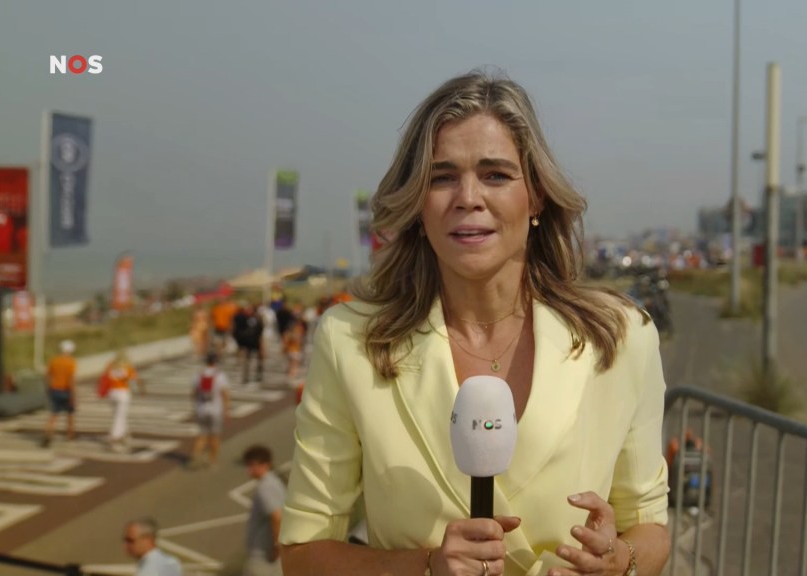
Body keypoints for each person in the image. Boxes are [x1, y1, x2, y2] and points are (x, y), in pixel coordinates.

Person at [279, 70, 670, 576]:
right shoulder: (350, 342)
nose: (468, 197)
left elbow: (651, 528)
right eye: (442, 177)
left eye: (495, 175)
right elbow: (303, 553)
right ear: (417, 205)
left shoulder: (621, 338)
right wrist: (426, 567)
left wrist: (620, 560)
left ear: (536, 196)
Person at [243, 445, 286, 576]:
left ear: (265, 464)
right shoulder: (274, 481)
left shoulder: (266, 487)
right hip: (268, 555)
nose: (248, 470)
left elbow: (277, 516)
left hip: (263, 556)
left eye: (252, 465)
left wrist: (277, 547)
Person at [189, 352, 230, 469]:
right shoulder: (220, 376)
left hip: (201, 409)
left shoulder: (198, 375)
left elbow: (193, 393)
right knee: (215, 437)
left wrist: (195, 406)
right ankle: (212, 461)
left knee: (202, 435)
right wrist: (226, 410)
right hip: (215, 410)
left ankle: (196, 455)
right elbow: (225, 393)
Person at [102, 351, 143, 451]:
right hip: (123, 394)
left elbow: (105, 376)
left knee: (117, 415)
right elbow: (136, 379)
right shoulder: (127, 366)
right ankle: (114, 438)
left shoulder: (110, 364)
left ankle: (125, 434)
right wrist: (142, 389)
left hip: (112, 393)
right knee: (120, 417)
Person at [42, 340, 78, 448]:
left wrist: (48, 388)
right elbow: (71, 379)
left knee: (53, 414)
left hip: (54, 389)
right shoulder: (71, 362)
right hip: (66, 390)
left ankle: (48, 433)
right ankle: (70, 434)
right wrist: (73, 394)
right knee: (70, 414)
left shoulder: (54, 360)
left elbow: (47, 376)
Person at [233, 302, 265, 384]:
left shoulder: (257, 319)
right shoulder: (245, 319)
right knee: (247, 360)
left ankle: (258, 374)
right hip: (248, 342)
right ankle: (246, 376)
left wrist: (261, 342)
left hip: (255, 341)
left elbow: (260, 331)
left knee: (258, 359)